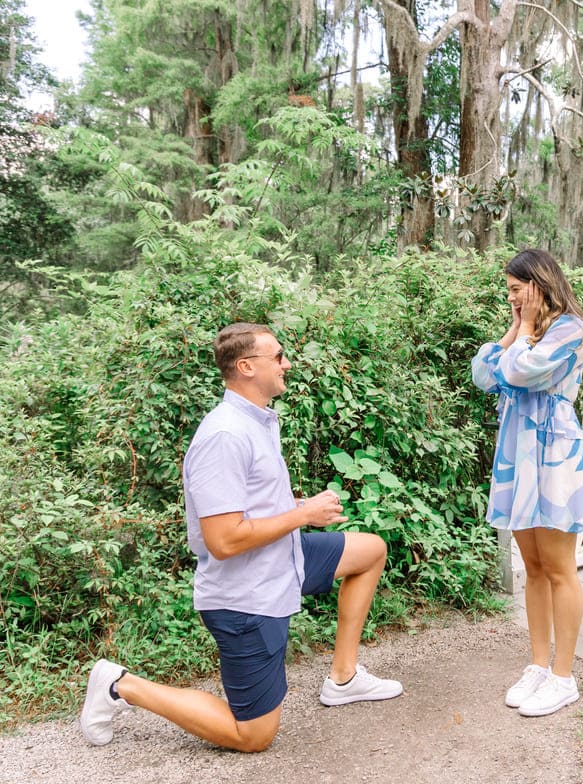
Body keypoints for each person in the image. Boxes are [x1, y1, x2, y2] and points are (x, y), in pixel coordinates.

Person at [79, 322, 402, 752]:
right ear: (247, 366)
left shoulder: (257, 421)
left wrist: (294, 511)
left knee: (370, 550)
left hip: (279, 562)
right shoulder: (225, 435)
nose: (287, 364)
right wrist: (302, 513)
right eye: (279, 357)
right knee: (252, 735)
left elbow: (247, 507)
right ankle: (120, 685)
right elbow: (224, 540)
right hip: (245, 597)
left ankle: (343, 678)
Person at [471, 248, 583, 717]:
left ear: (538, 285)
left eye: (515, 289)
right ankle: (538, 666)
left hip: (554, 456)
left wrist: (524, 332)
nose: (510, 298)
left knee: (560, 566)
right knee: (533, 566)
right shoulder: (528, 332)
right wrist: (516, 326)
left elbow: (520, 372)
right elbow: (485, 374)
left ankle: (563, 676)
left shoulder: (570, 330)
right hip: (518, 456)